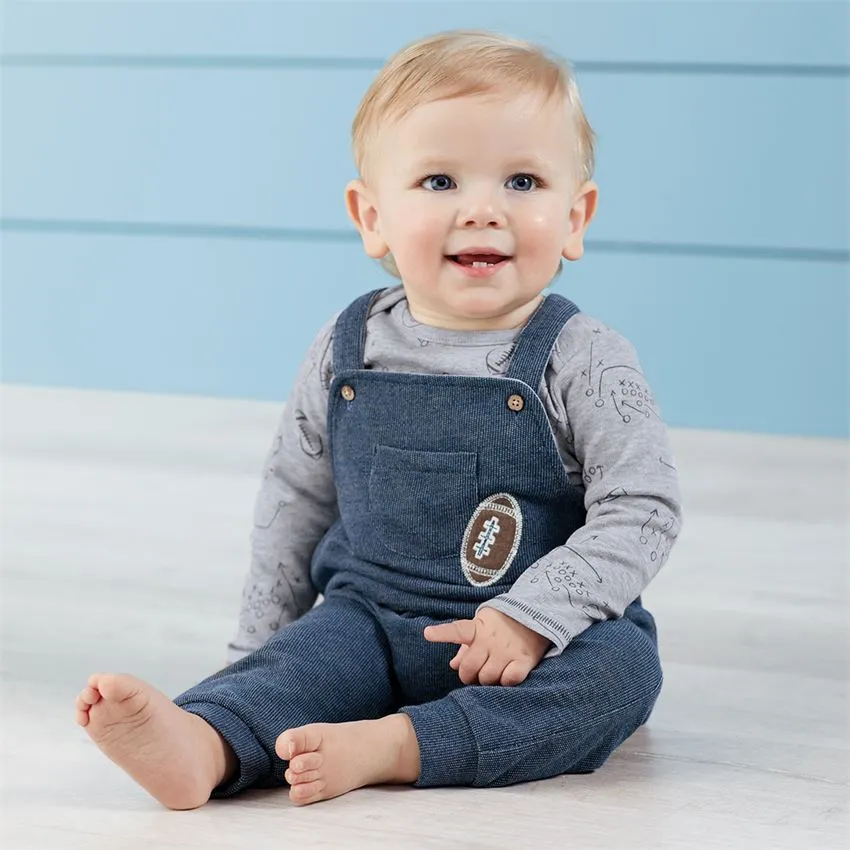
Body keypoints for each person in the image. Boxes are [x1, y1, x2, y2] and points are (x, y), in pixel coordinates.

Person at [75, 28, 682, 810]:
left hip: (532, 641)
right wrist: (259, 655)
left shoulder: (585, 357)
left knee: (623, 673)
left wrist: (535, 615)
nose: (484, 210)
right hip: (367, 621)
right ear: (372, 217)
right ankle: (210, 742)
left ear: (576, 216)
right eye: (439, 182)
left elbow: (644, 507)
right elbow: (293, 499)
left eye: (524, 181)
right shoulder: (346, 346)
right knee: (299, 665)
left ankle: (396, 745)